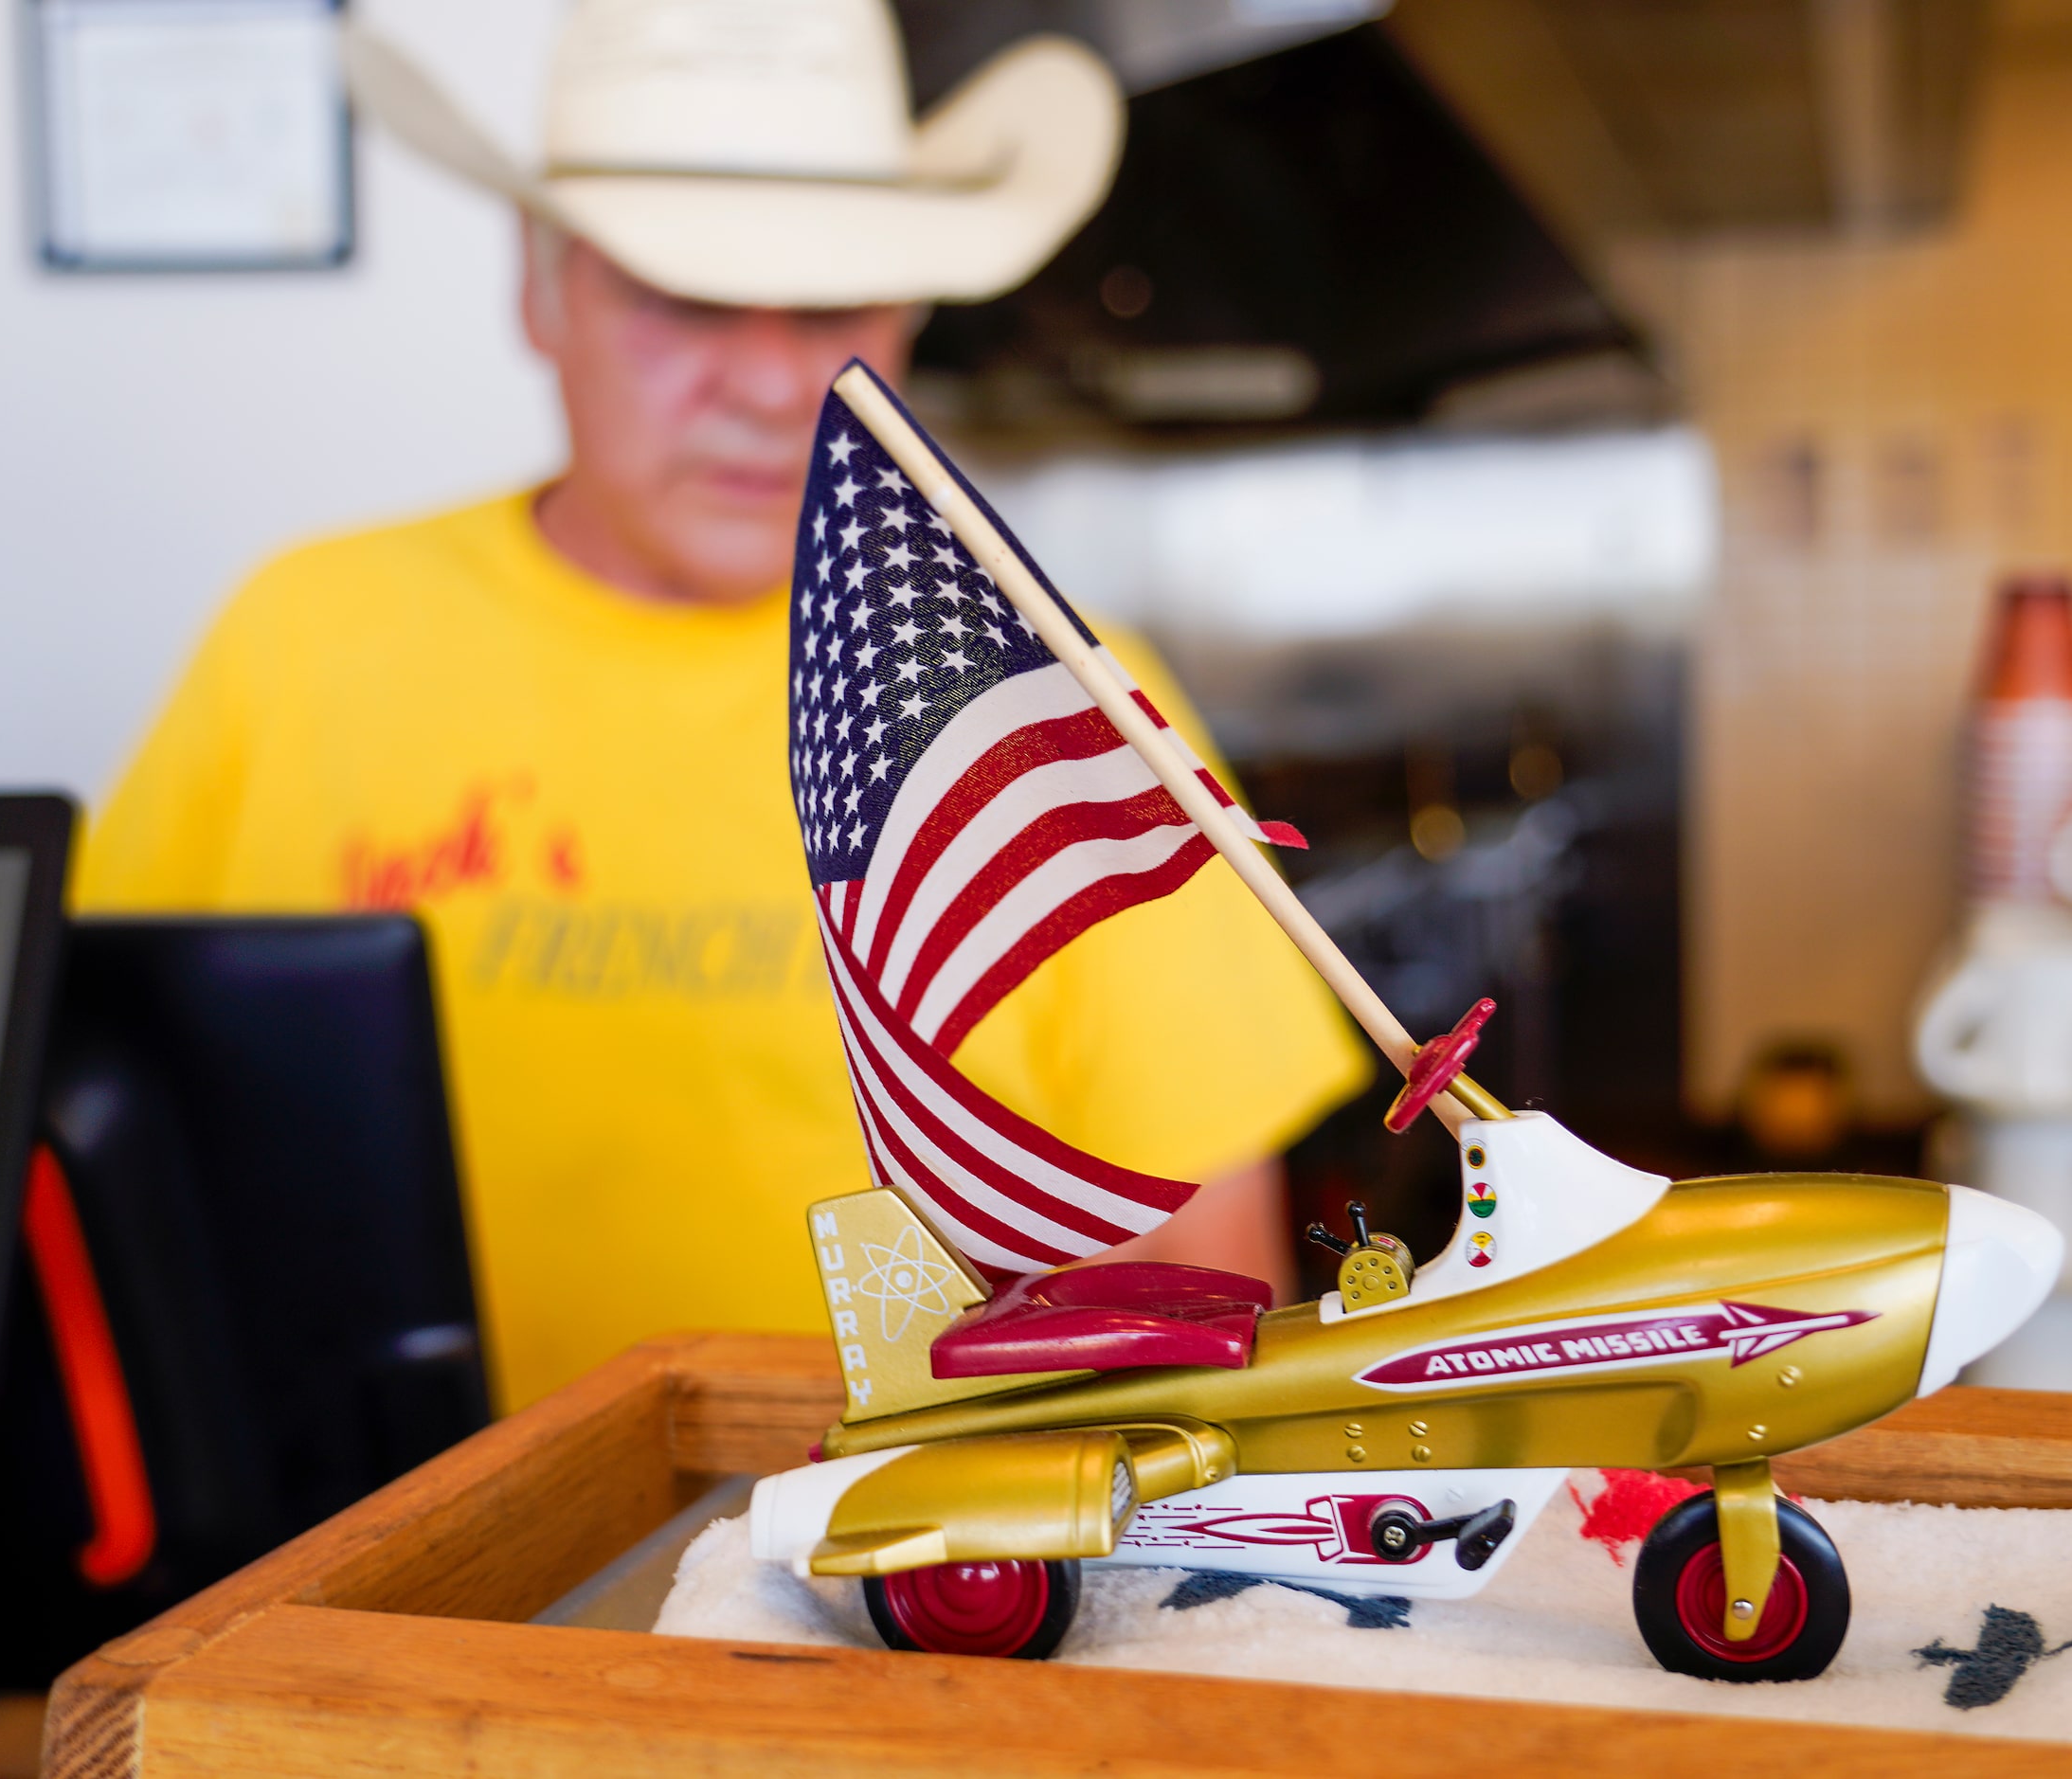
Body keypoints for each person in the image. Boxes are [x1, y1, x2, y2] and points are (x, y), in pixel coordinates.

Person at [77, 0, 1369, 1411]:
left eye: (831, 306)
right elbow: (97, 1139)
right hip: (373, 1574)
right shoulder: (301, 640)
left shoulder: (1054, 695)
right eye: (681, 298)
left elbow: (1202, 1269)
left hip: (890, 1572)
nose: (767, 384)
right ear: (540, 289)